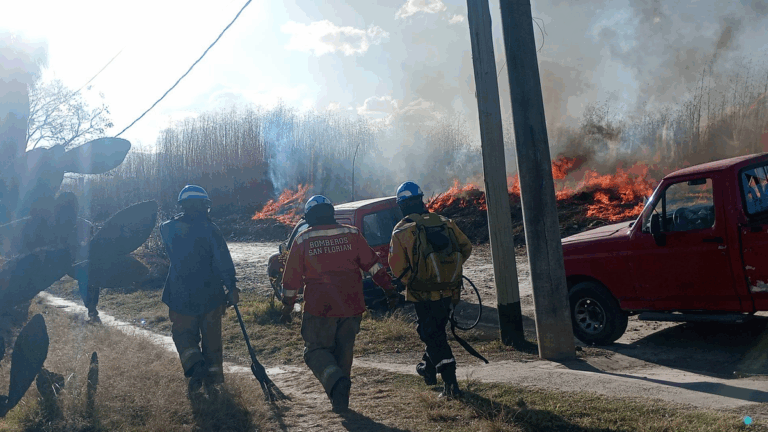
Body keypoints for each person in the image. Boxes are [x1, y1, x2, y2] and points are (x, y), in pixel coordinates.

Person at [280, 195, 398, 413]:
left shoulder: (303, 240)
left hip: (320, 308)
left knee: (314, 351)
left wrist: (287, 306)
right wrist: (389, 289)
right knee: (344, 354)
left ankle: (335, 382)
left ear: (309, 217)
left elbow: (291, 280)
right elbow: (373, 266)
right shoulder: (352, 234)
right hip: (352, 306)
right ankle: (341, 402)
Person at [388, 181, 472, 399]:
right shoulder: (444, 221)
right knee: (435, 331)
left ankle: (451, 384)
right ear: (421, 199)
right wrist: (449, 271)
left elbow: (396, 266)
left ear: (402, 205)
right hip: (450, 290)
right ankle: (427, 369)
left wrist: (413, 280)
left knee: (430, 334)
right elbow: (466, 248)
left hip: (422, 294)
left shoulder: (402, 229)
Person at [159, 185, 240, 398]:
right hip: (211, 295)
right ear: (205, 206)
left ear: (183, 206)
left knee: (184, 335)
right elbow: (224, 262)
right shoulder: (211, 229)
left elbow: (167, 230)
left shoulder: (168, 228)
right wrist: (231, 287)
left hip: (179, 295)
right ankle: (214, 383)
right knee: (212, 340)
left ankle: (195, 366)